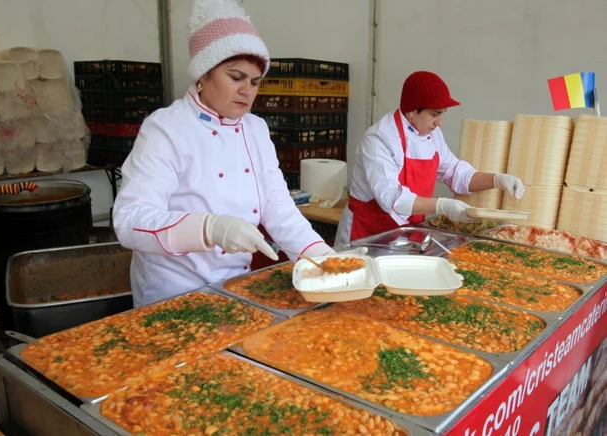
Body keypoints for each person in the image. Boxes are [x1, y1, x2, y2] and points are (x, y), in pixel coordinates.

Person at [113, 0, 335, 307]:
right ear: (203, 74)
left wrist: (321, 256)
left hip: (235, 287)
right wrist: (210, 229)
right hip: (173, 294)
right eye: (236, 77)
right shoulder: (166, 129)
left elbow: (278, 206)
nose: (247, 90)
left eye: (255, 82)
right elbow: (130, 221)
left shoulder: (255, 129)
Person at [336, 71, 525, 245]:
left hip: (408, 234)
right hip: (367, 235)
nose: (440, 122)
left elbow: (455, 173)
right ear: (411, 111)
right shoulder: (379, 139)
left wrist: (497, 179)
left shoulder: (432, 134)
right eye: (435, 114)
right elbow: (392, 198)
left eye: (443, 114)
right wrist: (442, 205)